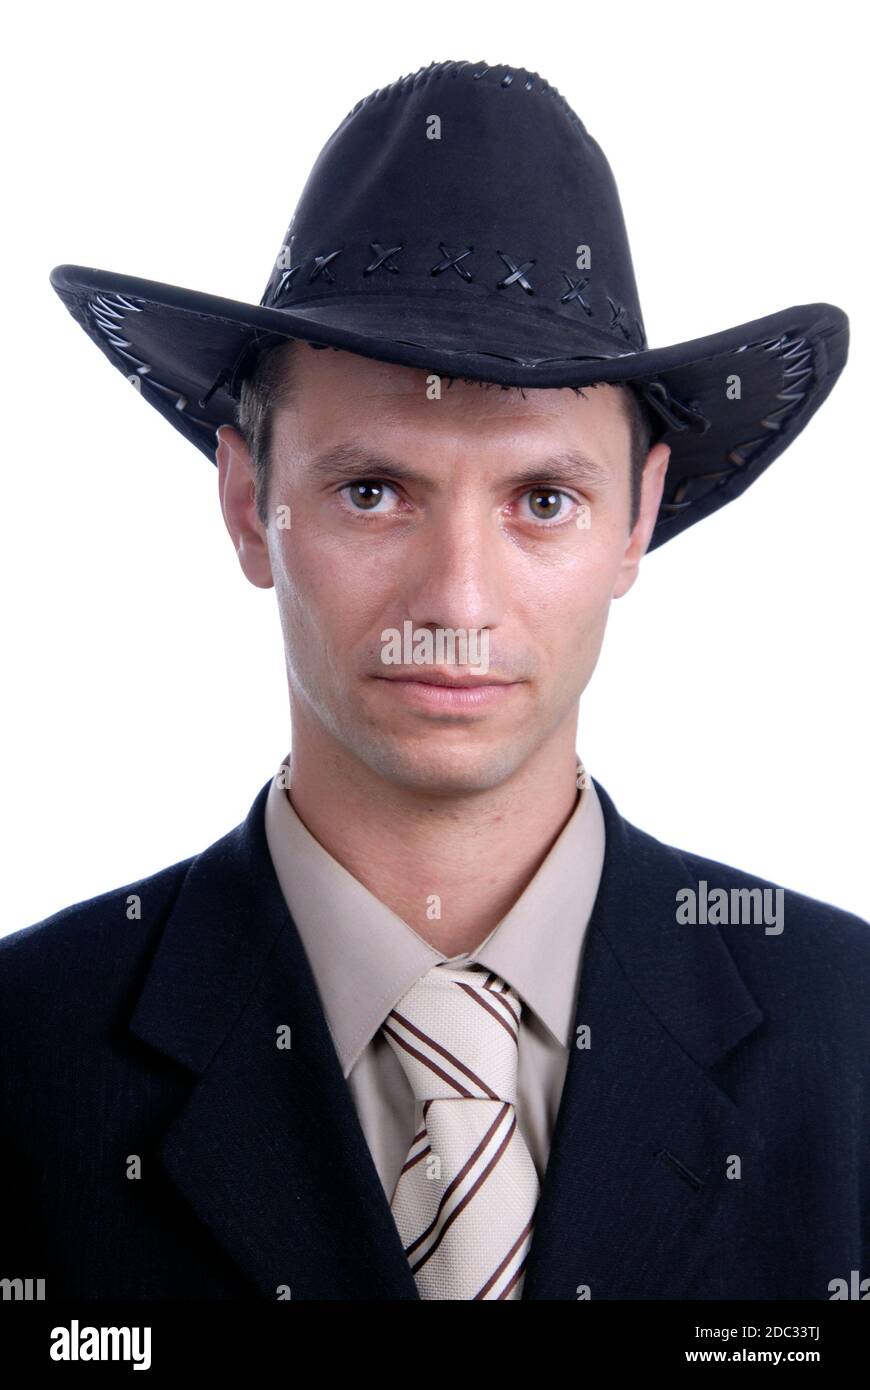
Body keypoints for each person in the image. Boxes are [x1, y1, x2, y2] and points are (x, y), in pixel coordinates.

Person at [2, 58, 866, 1302]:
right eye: (374, 490)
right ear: (250, 505)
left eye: (543, 500)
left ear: (638, 519)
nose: (457, 601)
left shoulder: (851, 1039)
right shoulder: (25, 1059)